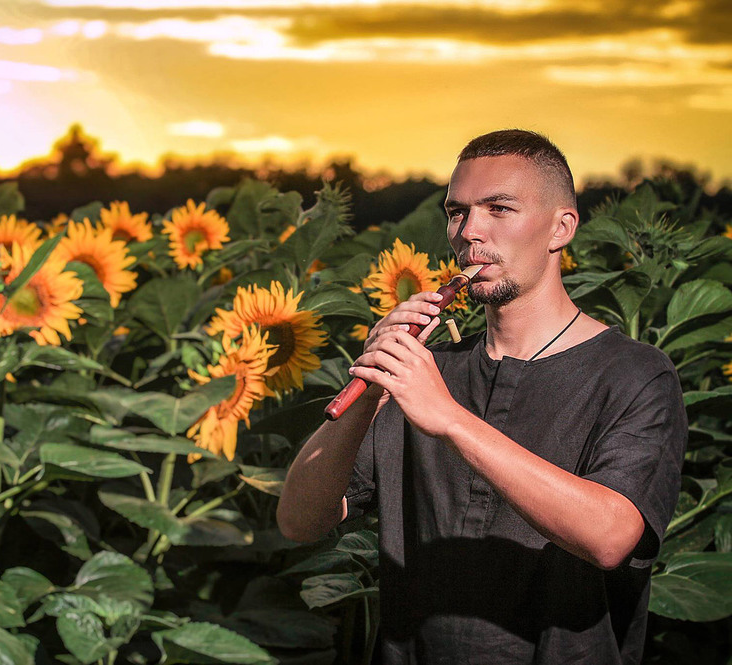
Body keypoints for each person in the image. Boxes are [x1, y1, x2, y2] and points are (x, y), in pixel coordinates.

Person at [277, 129, 686, 664]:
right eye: (457, 212)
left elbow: (611, 537)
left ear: (561, 228)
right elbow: (299, 521)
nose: (470, 231)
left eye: (499, 209)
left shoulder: (636, 374)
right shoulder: (427, 370)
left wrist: (449, 418)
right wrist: (367, 399)